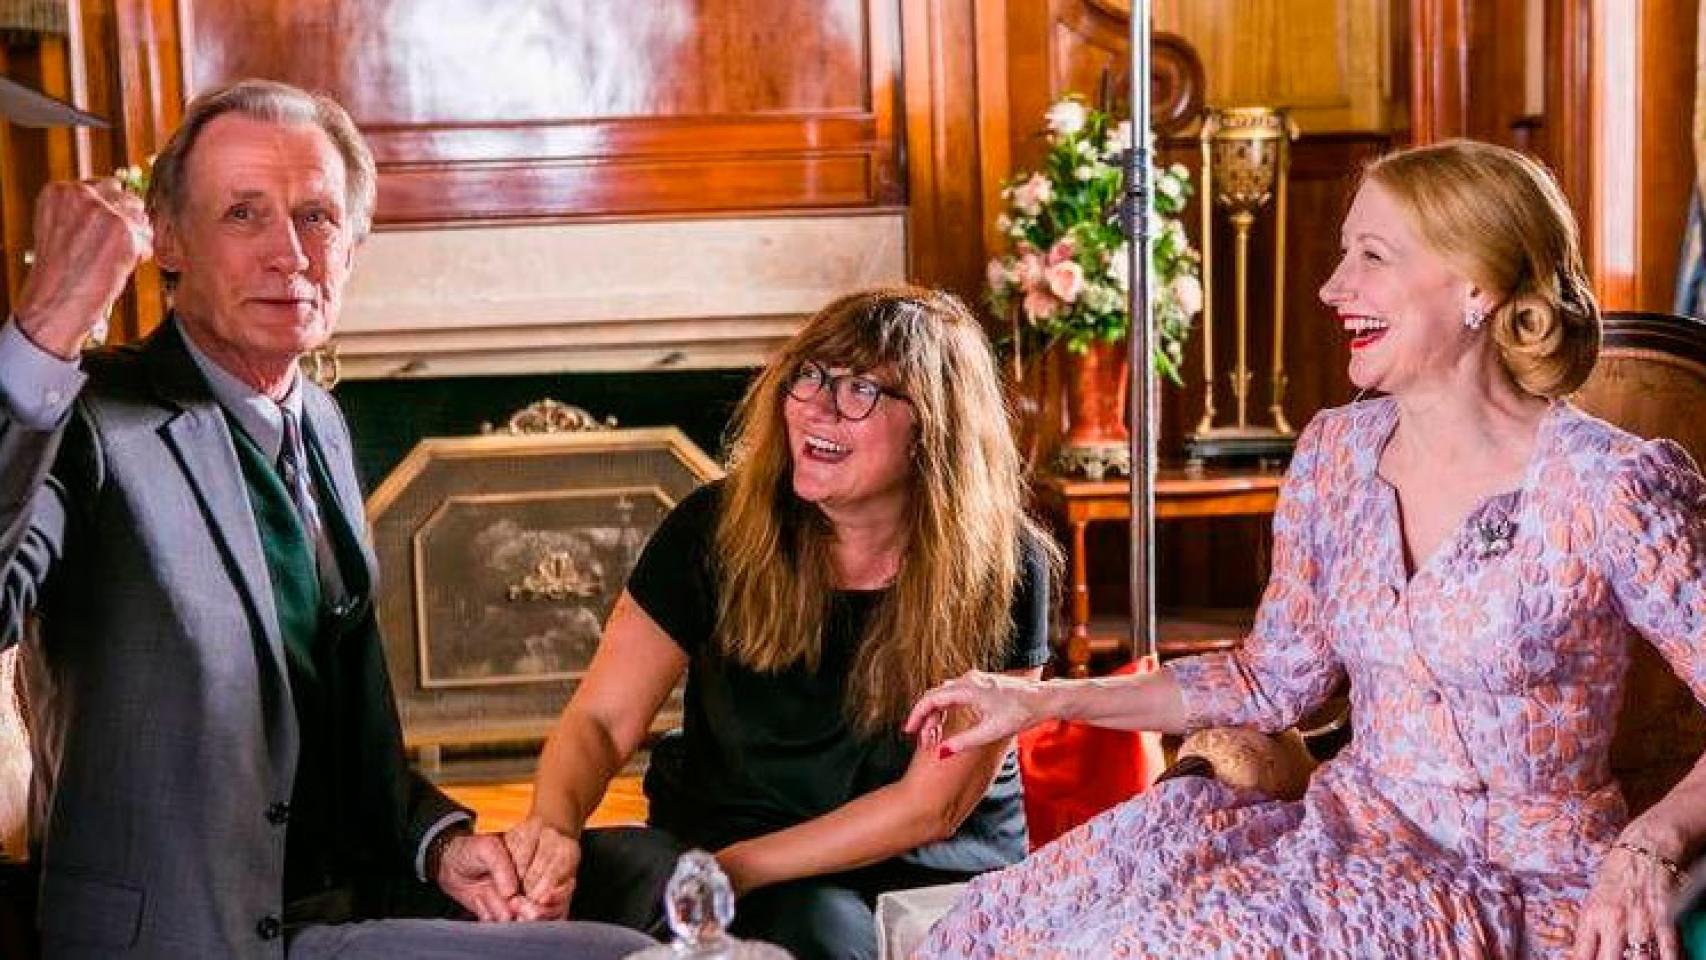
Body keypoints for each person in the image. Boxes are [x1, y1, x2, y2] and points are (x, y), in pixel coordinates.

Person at [905, 139, 1706, 960]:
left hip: (1521, 883)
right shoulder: (1335, 455)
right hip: (1350, 834)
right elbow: (1267, 680)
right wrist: (1043, 702)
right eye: (1342, 253)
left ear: (1478, 284)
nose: (1333, 287)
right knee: (1001, 922)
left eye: (1372, 256)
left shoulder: (1609, 484)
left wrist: (1652, 847)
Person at [0, 78, 652, 959]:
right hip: (190, 933)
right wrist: (43, 334)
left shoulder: (324, 423)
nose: (290, 254)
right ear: (171, 244)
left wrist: (443, 844)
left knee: (655, 891)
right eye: (242, 215)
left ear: (353, 245)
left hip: (343, 900)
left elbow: (344, 737)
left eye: (316, 217)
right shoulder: (90, 421)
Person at [503, 286, 1058, 959]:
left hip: (922, 867)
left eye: (860, 390)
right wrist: (553, 826)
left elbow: (929, 806)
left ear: (933, 431)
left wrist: (733, 869)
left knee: (821, 932)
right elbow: (600, 721)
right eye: (811, 375)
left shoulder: (1005, 563)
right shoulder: (712, 529)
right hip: (736, 842)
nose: (819, 407)